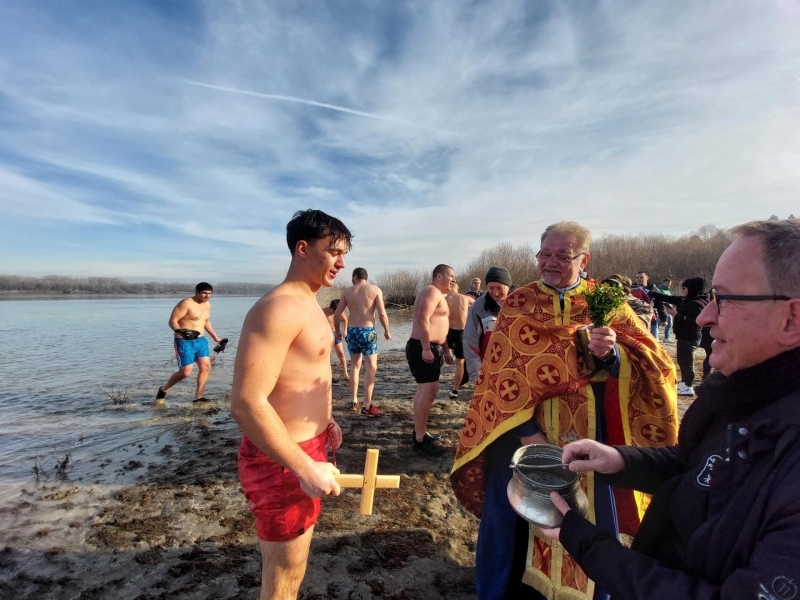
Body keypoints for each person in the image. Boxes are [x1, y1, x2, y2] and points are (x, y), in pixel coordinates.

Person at [543, 219, 800, 599]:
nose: (703, 317)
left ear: (792, 319)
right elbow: (694, 466)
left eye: (724, 299)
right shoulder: (734, 394)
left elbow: (647, 360)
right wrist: (619, 460)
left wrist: (587, 543)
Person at [450, 222, 678, 600]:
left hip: (590, 431)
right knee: (515, 523)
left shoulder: (606, 300)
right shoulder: (518, 303)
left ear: (584, 259)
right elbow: (498, 379)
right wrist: (529, 437)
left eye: (563, 255)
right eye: (545, 254)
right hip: (522, 433)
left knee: (587, 513)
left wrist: (615, 354)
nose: (551, 263)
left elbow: (656, 364)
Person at [230, 209, 350, 600]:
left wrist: (324, 420)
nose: (341, 262)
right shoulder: (278, 308)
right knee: (284, 577)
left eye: (343, 253)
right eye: (333, 251)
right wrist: (302, 464)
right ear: (302, 249)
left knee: (292, 569)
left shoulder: (312, 304)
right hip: (282, 461)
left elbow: (299, 375)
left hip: (308, 448)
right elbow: (246, 403)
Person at [406, 264, 456, 456]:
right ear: (439, 276)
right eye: (451, 275)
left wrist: (445, 349)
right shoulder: (431, 291)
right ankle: (419, 440)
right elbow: (422, 319)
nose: (453, 279)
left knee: (425, 391)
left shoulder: (436, 294)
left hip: (428, 346)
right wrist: (427, 348)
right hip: (422, 346)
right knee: (428, 391)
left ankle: (420, 433)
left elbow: (438, 325)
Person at [334, 267, 391, 417]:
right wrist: (386, 330)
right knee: (371, 367)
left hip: (352, 332)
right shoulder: (375, 290)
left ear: (355, 276)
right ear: (366, 277)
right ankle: (366, 405)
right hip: (367, 332)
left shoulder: (347, 292)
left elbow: (337, 314)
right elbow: (382, 314)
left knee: (355, 366)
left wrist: (338, 331)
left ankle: (354, 401)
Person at [154, 282, 223, 404]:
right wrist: (181, 332)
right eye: (204, 293)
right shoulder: (186, 303)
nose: (207, 296)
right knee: (185, 373)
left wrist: (216, 337)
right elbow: (172, 321)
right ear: (197, 292)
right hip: (184, 342)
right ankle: (163, 390)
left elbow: (206, 321)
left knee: (206, 366)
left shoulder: (207, 305)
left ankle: (198, 397)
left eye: (209, 293)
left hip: (201, 341)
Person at [649, 278, 710, 396]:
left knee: (688, 363)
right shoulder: (686, 300)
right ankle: (683, 383)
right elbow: (669, 298)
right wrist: (650, 293)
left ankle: (688, 386)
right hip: (682, 337)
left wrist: (677, 315)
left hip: (690, 338)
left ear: (691, 289)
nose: (681, 291)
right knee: (682, 362)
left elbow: (696, 323)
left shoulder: (697, 304)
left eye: (684, 288)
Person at [463, 266, 513, 383]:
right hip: (489, 369)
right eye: (491, 288)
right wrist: (476, 374)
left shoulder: (521, 303)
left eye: (499, 288)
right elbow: (470, 342)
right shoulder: (478, 307)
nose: (495, 293)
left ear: (508, 286)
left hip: (516, 369)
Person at [445, 282, 475, 399]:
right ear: (458, 288)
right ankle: (455, 389)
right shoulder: (465, 298)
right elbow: (480, 305)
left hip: (447, 331)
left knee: (447, 357)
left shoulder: (443, 299)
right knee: (460, 363)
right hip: (461, 333)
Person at [323, 299, 349, 382]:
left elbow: (345, 320)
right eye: (333, 311)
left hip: (335, 333)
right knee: (326, 355)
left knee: (341, 353)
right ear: (330, 307)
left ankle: (345, 373)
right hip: (326, 335)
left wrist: (345, 331)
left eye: (336, 311)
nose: (334, 313)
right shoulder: (323, 311)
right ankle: (328, 375)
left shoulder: (339, 311)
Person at [634, 271, 662, 339]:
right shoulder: (631, 289)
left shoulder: (654, 290)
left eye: (641, 277)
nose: (639, 279)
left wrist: (664, 318)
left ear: (647, 278)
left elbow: (660, 304)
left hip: (652, 319)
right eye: (637, 277)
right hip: (636, 319)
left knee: (654, 341)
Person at [657, 278, 674, 342]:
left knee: (669, 324)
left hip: (669, 309)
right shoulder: (660, 290)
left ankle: (667, 337)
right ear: (663, 283)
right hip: (663, 309)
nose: (668, 285)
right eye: (667, 283)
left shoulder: (668, 290)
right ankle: (655, 336)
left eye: (669, 284)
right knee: (658, 324)